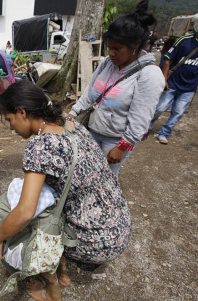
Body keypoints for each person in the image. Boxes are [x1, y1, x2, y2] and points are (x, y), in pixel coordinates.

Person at [0, 81, 131, 301]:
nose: (11, 128)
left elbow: (24, 212)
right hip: (118, 226)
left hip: (95, 240)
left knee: (22, 216)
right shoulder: (72, 125)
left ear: (22, 112)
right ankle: (63, 272)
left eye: (10, 120)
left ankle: (53, 291)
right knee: (54, 202)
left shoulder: (41, 145)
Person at [67, 0, 164, 178]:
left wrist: (122, 146)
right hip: (92, 130)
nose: (111, 53)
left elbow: (141, 118)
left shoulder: (149, 74)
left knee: (105, 178)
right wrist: (73, 114)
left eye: (117, 49)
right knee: (85, 172)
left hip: (115, 140)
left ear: (135, 45)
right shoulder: (107, 63)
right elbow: (90, 92)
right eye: (109, 47)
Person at [149, 13, 198, 145]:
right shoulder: (184, 41)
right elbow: (167, 60)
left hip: (189, 87)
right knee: (160, 108)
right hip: (173, 83)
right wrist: (165, 79)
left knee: (178, 112)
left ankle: (164, 133)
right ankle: (149, 123)